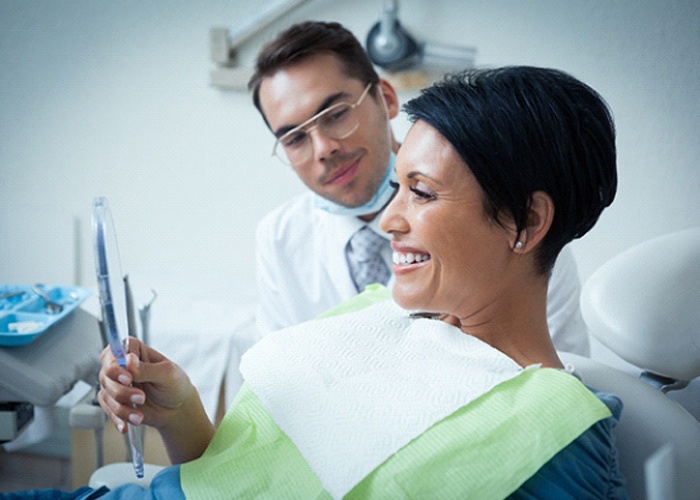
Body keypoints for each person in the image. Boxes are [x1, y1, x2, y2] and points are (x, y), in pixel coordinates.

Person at [15, 65, 625, 498]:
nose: (388, 220)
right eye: (399, 188)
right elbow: (236, 478)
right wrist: (182, 412)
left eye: (422, 192)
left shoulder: (555, 435)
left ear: (526, 221)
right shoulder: (368, 316)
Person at [249, 21, 590, 356]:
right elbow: (280, 371)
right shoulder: (279, 238)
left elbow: (557, 371)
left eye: (336, 115)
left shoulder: (513, 232)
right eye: (295, 139)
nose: (323, 149)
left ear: (385, 99)